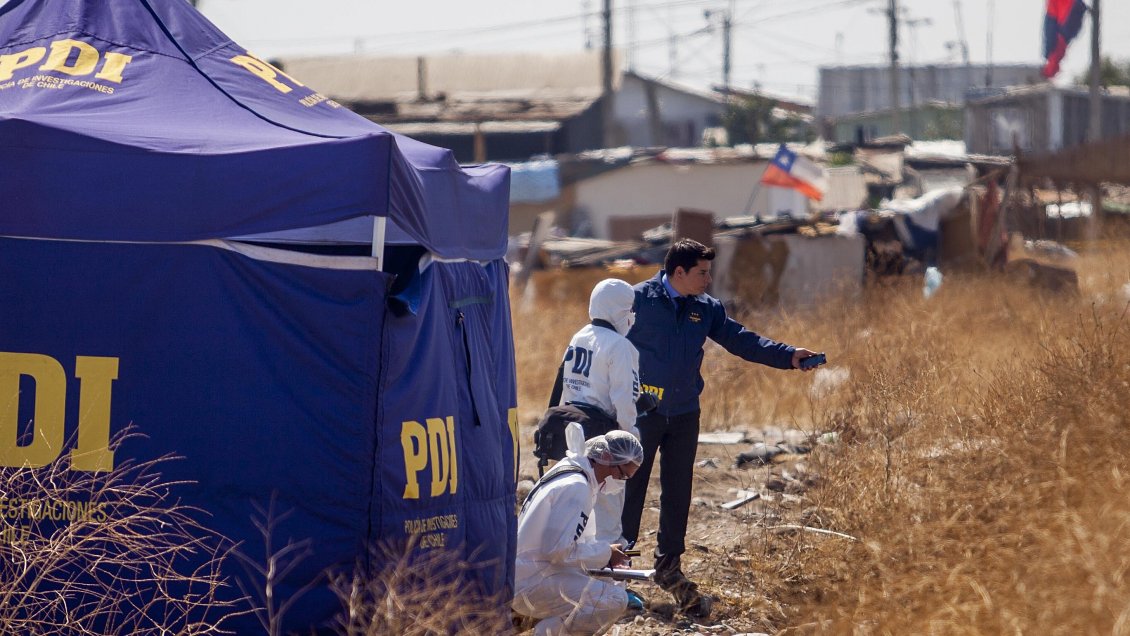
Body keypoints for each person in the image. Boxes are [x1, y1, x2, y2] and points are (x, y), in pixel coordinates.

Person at [621, 238, 821, 617]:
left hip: (683, 414)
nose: (708, 279)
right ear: (678, 272)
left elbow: (741, 340)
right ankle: (619, 569)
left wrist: (788, 356)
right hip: (640, 414)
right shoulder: (637, 300)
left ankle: (669, 569)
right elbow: (605, 343)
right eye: (702, 272)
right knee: (630, 491)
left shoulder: (705, 308)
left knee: (678, 494)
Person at [513, 428, 645, 636]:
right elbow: (557, 550)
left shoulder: (573, 473)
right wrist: (605, 553)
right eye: (622, 475)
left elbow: (565, 544)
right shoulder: (576, 487)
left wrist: (605, 557)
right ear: (607, 459)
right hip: (530, 581)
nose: (621, 482)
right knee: (614, 599)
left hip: (532, 572)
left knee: (609, 582)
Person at [553, 278, 640, 544]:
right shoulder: (621, 346)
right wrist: (630, 443)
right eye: (629, 309)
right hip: (606, 440)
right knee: (607, 518)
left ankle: (581, 574)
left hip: (575, 435)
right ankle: (609, 583)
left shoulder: (579, 336)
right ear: (620, 310)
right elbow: (624, 402)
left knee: (579, 510)